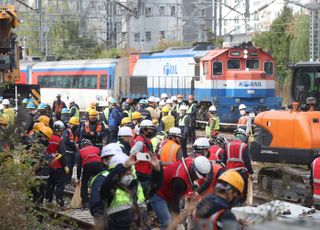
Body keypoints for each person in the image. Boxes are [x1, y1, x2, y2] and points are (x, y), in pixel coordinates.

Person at [100, 151, 162, 230]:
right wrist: (123, 166)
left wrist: (157, 171)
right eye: (126, 170)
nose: (129, 172)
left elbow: (154, 187)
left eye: (130, 169)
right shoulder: (110, 189)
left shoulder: (136, 185)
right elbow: (107, 185)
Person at [150, 156, 211, 229]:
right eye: (197, 176)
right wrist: (179, 223)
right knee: (167, 223)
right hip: (158, 194)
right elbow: (175, 203)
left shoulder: (190, 161)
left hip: (168, 191)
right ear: (193, 170)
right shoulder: (180, 180)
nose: (197, 178)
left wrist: (192, 183)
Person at [90, 143, 123, 228]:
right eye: (114, 157)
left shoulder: (124, 175)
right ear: (105, 161)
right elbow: (97, 205)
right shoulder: (102, 179)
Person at [221, 128, 254, 204]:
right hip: (240, 173)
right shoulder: (244, 146)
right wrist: (251, 173)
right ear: (243, 137)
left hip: (229, 173)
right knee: (242, 190)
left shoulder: (227, 146)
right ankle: (241, 202)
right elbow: (247, 162)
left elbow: (223, 161)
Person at [77, 139, 105, 208]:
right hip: (99, 164)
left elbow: (79, 166)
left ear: (82, 146)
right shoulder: (97, 148)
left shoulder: (80, 151)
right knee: (101, 181)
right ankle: (102, 199)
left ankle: (85, 202)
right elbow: (103, 159)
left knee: (84, 184)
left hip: (87, 165)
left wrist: (78, 177)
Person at [46, 121, 68, 209]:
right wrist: (65, 166)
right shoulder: (60, 140)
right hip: (58, 167)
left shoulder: (49, 138)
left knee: (50, 184)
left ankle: (49, 200)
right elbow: (62, 155)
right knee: (60, 185)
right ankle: (60, 203)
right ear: (61, 130)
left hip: (49, 165)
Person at [130, 119, 155, 193]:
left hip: (147, 170)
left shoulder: (146, 140)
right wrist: (148, 157)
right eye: (150, 129)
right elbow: (132, 154)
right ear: (144, 130)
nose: (152, 131)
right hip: (141, 172)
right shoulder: (140, 141)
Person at [62, 116, 80, 184]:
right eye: (75, 125)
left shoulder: (74, 132)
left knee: (71, 167)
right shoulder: (66, 131)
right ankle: (66, 182)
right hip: (67, 153)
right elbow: (65, 141)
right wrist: (74, 144)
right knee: (68, 168)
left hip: (72, 153)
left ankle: (68, 181)